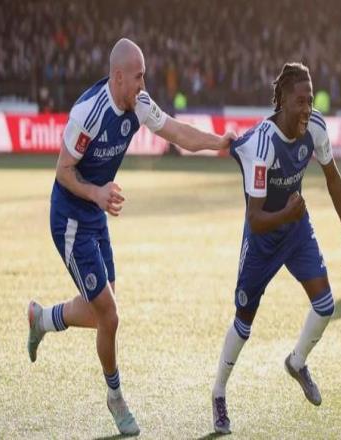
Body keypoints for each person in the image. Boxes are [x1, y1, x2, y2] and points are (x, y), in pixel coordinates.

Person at [27, 38, 235, 436]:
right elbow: (63, 171)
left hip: (96, 213)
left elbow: (176, 132)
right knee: (109, 314)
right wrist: (96, 193)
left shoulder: (139, 104)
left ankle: (43, 318)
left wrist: (217, 143)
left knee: (101, 315)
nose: (144, 84)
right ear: (118, 76)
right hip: (70, 218)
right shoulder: (88, 112)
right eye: (138, 77)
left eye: (144, 77)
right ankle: (115, 397)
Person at [211, 62, 341, 434]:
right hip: (263, 239)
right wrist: (288, 212)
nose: (307, 108)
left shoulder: (316, 128)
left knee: (325, 305)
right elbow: (255, 218)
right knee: (244, 322)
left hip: (296, 230)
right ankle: (219, 393)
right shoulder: (263, 145)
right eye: (300, 101)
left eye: (310, 100)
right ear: (282, 101)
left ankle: (297, 362)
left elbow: (333, 178)